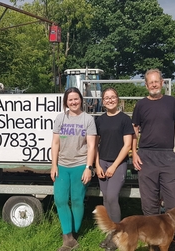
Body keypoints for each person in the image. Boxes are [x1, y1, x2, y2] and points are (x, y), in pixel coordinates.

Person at [131, 69, 175, 251]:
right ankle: (154, 243)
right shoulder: (141, 105)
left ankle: (173, 240)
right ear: (146, 85)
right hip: (146, 156)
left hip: (167, 156)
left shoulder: (171, 102)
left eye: (157, 81)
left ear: (162, 82)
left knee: (174, 201)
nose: (154, 85)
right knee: (149, 204)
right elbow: (134, 130)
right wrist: (133, 152)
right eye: (151, 82)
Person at [50, 87, 97, 251]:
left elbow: (92, 146)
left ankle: (72, 237)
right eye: (70, 99)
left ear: (81, 100)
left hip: (80, 166)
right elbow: (55, 143)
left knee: (77, 201)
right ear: (66, 102)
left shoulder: (88, 120)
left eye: (76, 99)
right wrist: (53, 165)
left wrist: (88, 168)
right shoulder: (60, 118)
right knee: (60, 200)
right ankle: (67, 237)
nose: (73, 102)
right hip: (62, 165)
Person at [95, 87, 134, 251]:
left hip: (117, 164)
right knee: (105, 198)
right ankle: (110, 234)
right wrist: (97, 164)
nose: (110, 100)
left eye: (112, 97)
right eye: (106, 98)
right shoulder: (99, 120)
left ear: (117, 99)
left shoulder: (125, 119)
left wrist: (114, 166)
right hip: (102, 163)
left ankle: (117, 235)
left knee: (112, 197)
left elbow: (127, 146)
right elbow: (94, 144)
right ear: (103, 101)